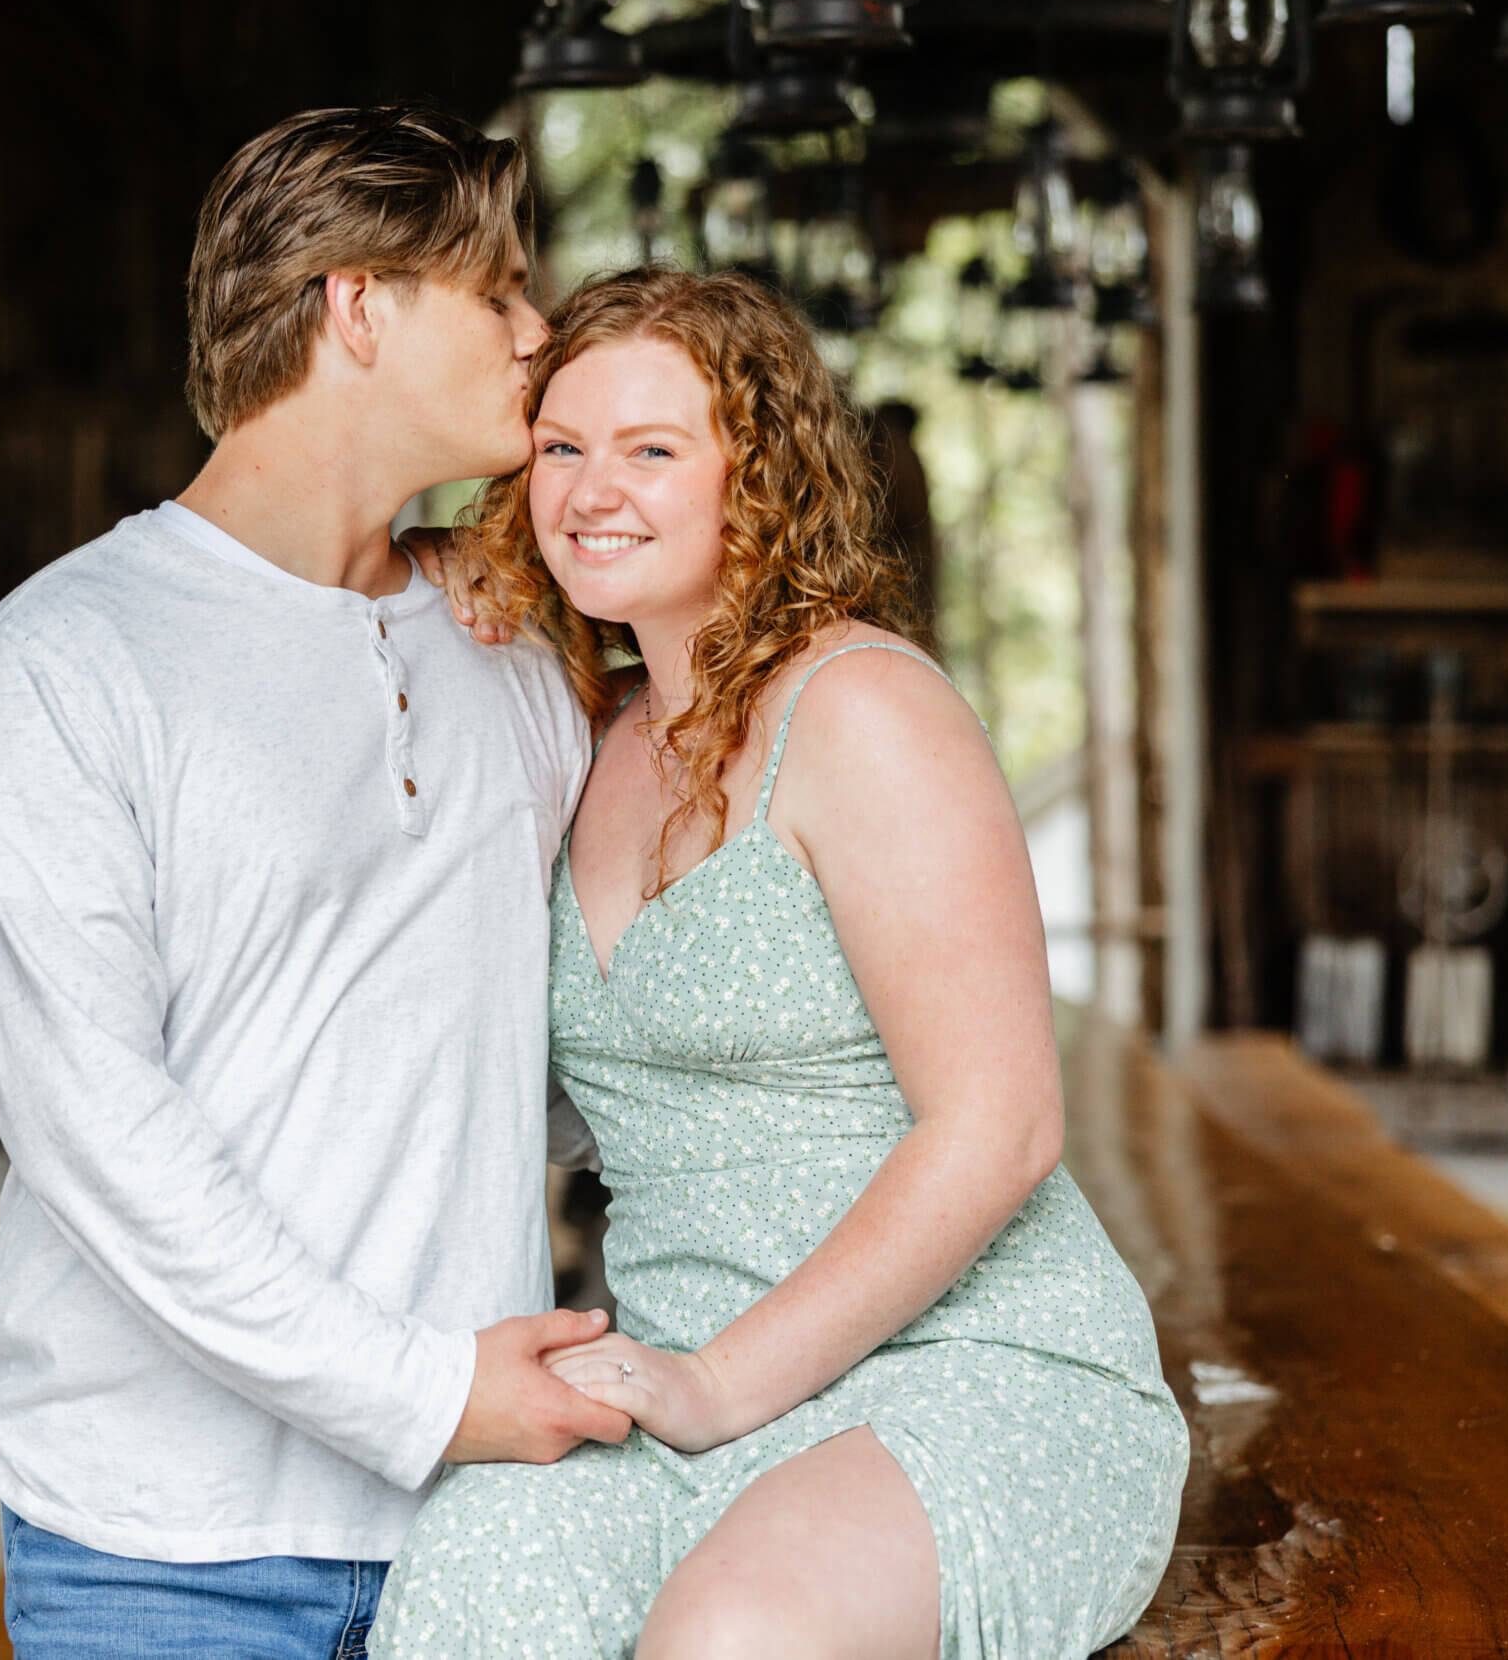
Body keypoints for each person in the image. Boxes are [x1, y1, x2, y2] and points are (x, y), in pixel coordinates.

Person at [373, 268, 1188, 1660]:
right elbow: (360, 573)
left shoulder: (863, 707)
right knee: (459, 1595)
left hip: (968, 1373)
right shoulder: (586, 728)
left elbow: (1002, 1129)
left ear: (756, 475)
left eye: (651, 449)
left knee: (735, 1636)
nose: (591, 489)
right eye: (560, 448)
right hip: (681, 1376)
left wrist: (716, 1384)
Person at [0, 104, 635, 1660]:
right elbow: (99, 1137)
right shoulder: (62, 667)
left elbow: (558, 1047)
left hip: (486, 1534)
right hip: (164, 1547)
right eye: (498, 290)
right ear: (358, 306)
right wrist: (429, 1393)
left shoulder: (514, 654)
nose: (537, 334)